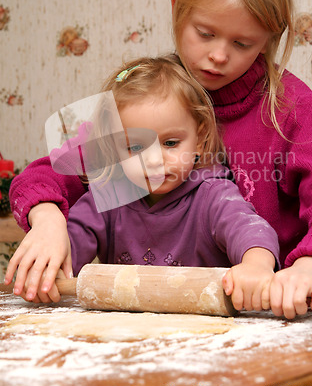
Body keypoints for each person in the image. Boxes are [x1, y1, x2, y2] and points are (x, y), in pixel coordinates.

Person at [6, 0, 312, 319]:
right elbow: (49, 174)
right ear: (177, 8)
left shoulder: (297, 111)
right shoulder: (149, 99)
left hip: (271, 316)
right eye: (205, 33)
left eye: (242, 43)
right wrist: (47, 220)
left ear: (269, 37)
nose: (217, 55)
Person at [63, 56, 280, 314]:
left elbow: (248, 229)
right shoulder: (109, 195)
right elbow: (68, 248)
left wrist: (256, 265)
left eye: (170, 143)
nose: (154, 161)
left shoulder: (211, 193)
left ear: (199, 140)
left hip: (206, 334)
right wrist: (50, 265)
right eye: (135, 147)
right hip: (127, 337)